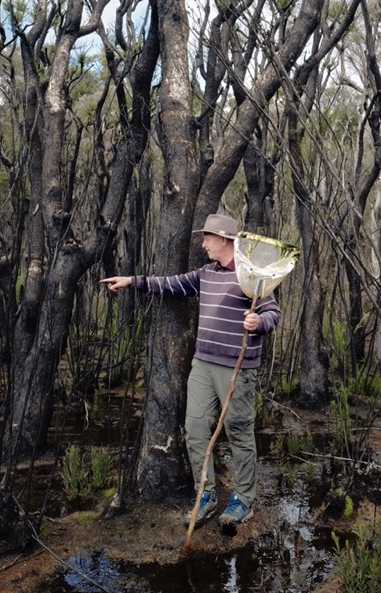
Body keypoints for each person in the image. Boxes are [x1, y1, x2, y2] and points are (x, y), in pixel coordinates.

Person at [100, 213, 281, 527]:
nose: (203, 243)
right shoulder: (206, 273)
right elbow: (172, 284)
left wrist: (258, 323)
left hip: (237, 368)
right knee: (195, 429)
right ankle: (206, 495)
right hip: (203, 364)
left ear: (224, 240)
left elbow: (272, 313)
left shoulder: (253, 276)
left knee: (238, 432)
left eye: (207, 238)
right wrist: (132, 281)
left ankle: (243, 501)